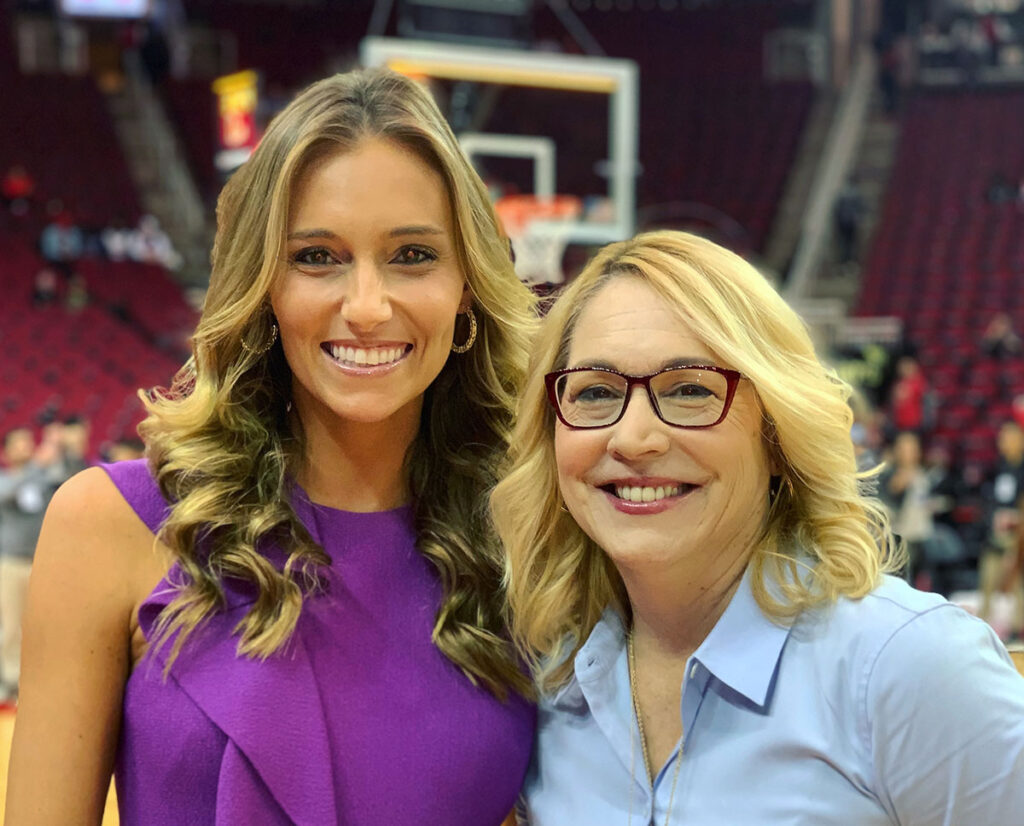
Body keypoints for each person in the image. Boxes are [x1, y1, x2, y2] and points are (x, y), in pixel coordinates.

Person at [7, 68, 536, 825]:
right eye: (316, 256)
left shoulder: (521, 544)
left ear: (468, 291)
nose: (366, 306)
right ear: (263, 287)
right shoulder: (109, 526)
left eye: (413, 255)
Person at [491, 230, 1024, 825]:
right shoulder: (544, 685)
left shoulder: (911, 670)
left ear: (776, 431)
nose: (634, 438)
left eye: (690, 389)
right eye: (595, 392)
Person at [0, 427, 68, 702]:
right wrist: (38, 466)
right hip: (10, 562)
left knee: (41, 625)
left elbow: (65, 485)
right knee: (11, 626)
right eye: (19, 443)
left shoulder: (42, 479)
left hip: (41, 562)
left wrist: (59, 449)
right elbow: (6, 495)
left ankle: (36, 683)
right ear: (6, 451)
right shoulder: (5, 480)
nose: (26, 447)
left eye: (28, 442)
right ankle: (10, 682)